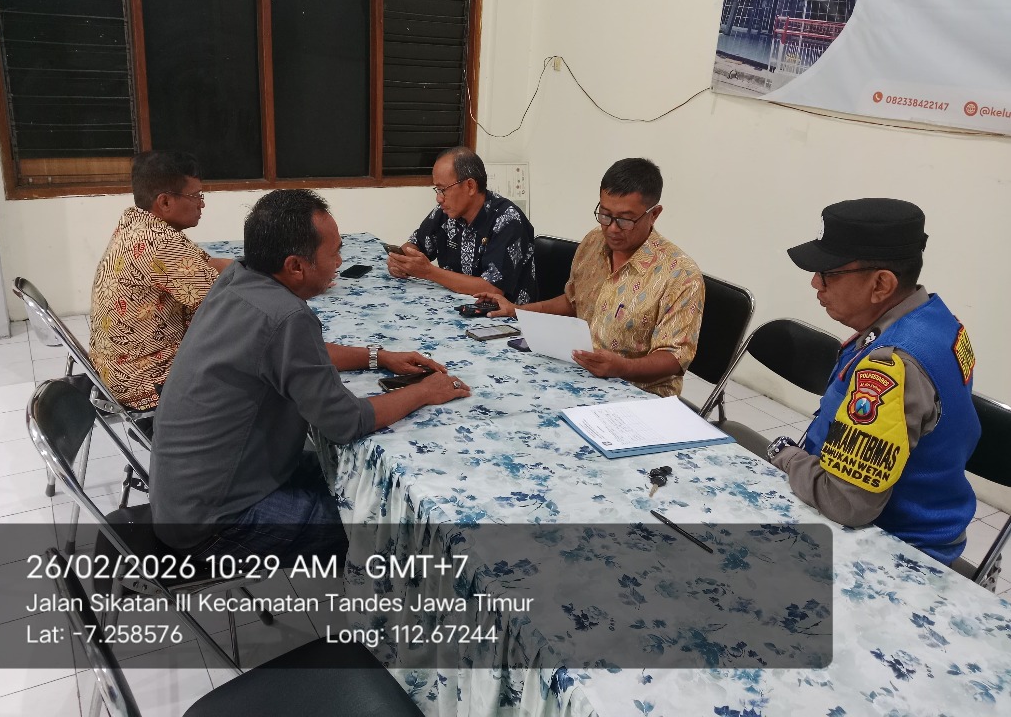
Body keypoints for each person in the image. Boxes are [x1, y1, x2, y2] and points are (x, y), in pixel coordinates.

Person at [150, 189, 470, 564]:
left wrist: (378, 356)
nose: (339, 262)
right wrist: (426, 392)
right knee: (388, 530)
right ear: (296, 266)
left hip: (186, 497)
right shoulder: (287, 317)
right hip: (217, 523)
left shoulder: (239, 277)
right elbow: (346, 422)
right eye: (333, 253)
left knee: (359, 480)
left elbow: (294, 353)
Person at [766, 198, 979, 565]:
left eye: (829, 273)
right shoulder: (938, 320)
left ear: (881, 284)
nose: (815, 282)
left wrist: (785, 455)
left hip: (893, 548)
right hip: (920, 519)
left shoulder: (890, 366)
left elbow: (845, 503)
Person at [475, 157, 703, 398]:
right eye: (605, 215)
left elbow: (674, 358)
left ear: (654, 214)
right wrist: (517, 310)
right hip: (579, 377)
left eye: (625, 220)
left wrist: (622, 368)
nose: (612, 228)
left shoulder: (680, 274)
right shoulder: (594, 242)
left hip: (639, 396)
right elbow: (574, 301)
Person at [89, 151, 232, 411]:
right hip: (144, 378)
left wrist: (259, 265)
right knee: (254, 353)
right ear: (165, 201)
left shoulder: (137, 222)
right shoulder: (160, 244)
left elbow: (208, 264)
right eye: (196, 196)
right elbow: (227, 302)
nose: (201, 204)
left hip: (116, 368)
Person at [386, 146, 537, 303]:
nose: (439, 198)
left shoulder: (508, 220)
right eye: (437, 190)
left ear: (470, 186)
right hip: (456, 305)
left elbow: (492, 288)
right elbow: (416, 244)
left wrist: (429, 272)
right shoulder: (446, 212)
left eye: (443, 189)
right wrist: (401, 261)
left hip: (503, 314)